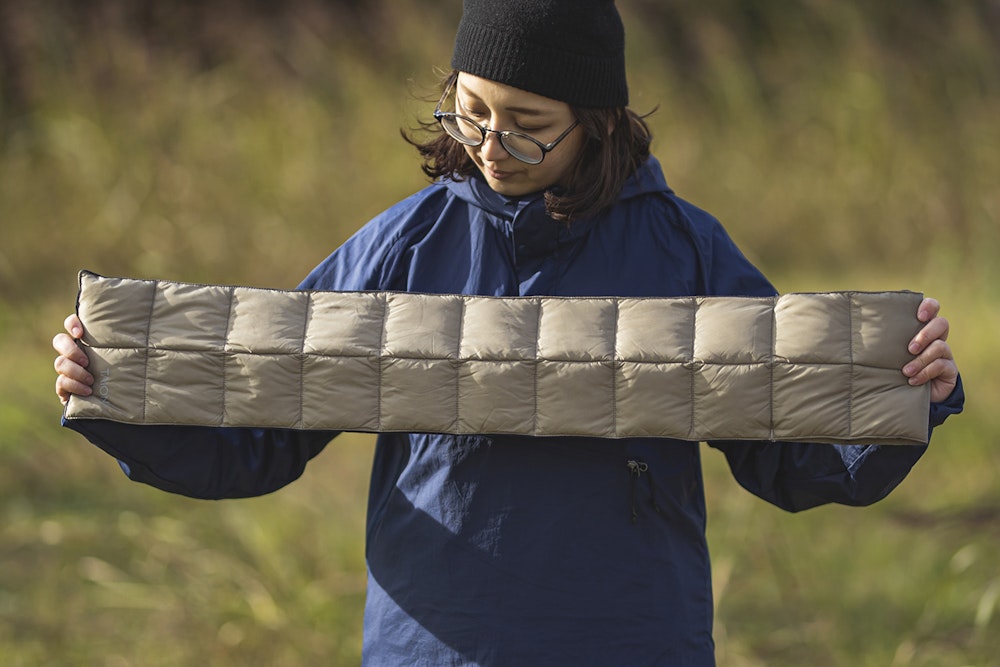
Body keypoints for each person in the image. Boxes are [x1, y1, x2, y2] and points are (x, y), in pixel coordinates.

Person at [52, 1, 963, 665]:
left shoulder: (682, 249)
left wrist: (904, 391)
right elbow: (258, 435)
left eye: (528, 127)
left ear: (599, 122)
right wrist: (118, 395)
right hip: (434, 642)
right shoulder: (402, 245)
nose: (491, 144)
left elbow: (788, 454)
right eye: (473, 110)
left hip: (628, 637)